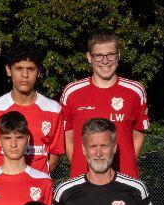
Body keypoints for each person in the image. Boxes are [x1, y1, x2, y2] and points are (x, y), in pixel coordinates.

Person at [61, 29, 149, 178]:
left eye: (110, 54)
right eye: (99, 55)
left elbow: (138, 135)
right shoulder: (72, 92)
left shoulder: (135, 91)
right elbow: (69, 139)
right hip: (83, 180)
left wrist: (126, 164)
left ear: (118, 55)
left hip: (124, 179)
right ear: (89, 57)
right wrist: (80, 168)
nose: (105, 61)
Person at [0, 44, 64, 173]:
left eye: (31, 69)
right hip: (1, 184)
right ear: (8, 70)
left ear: (39, 71)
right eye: (19, 68)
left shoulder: (54, 110)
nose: (25, 75)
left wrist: (37, 179)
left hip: (37, 185)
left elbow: (54, 156)